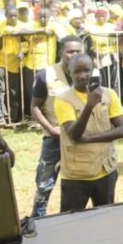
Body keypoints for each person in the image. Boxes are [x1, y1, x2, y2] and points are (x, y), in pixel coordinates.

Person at [55, 53, 123, 212]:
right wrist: (89, 106)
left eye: (87, 70)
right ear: (69, 71)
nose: (83, 76)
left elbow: (122, 130)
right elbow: (74, 135)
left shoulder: (109, 94)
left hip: (106, 169)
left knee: (105, 218)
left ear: (93, 69)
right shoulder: (63, 99)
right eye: (77, 71)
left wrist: (88, 138)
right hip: (77, 174)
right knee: (71, 221)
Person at [28, 35, 84, 217]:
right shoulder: (46, 75)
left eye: (78, 51)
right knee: (44, 185)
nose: (74, 55)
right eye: (70, 51)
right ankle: (38, 220)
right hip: (54, 138)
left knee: (79, 183)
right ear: (60, 53)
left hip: (82, 138)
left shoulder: (91, 72)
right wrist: (50, 129)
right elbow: (35, 107)